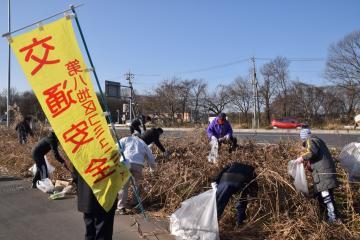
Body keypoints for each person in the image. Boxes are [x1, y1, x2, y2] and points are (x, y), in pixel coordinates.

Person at [296, 128, 339, 223]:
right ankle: (327, 218)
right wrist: (310, 165)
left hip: (324, 176)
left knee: (326, 197)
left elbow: (312, 152)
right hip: (324, 175)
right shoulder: (317, 140)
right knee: (320, 197)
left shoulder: (311, 140)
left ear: (303, 138)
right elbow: (317, 157)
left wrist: (301, 158)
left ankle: (333, 219)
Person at [117, 133, 156, 214]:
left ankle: (121, 207)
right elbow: (151, 158)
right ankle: (134, 203)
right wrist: (152, 169)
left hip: (125, 163)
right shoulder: (143, 143)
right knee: (137, 184)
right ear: (140, 136)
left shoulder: (125, 139)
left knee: (123, 186)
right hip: (138, 164)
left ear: (132, 135)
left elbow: (116, 148)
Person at [72, 169, 116, 240]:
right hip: (105, 198)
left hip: (86, 198)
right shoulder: (108, 157)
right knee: (103, 233)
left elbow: (75, 175)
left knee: (90, 231)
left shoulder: (80, 157)